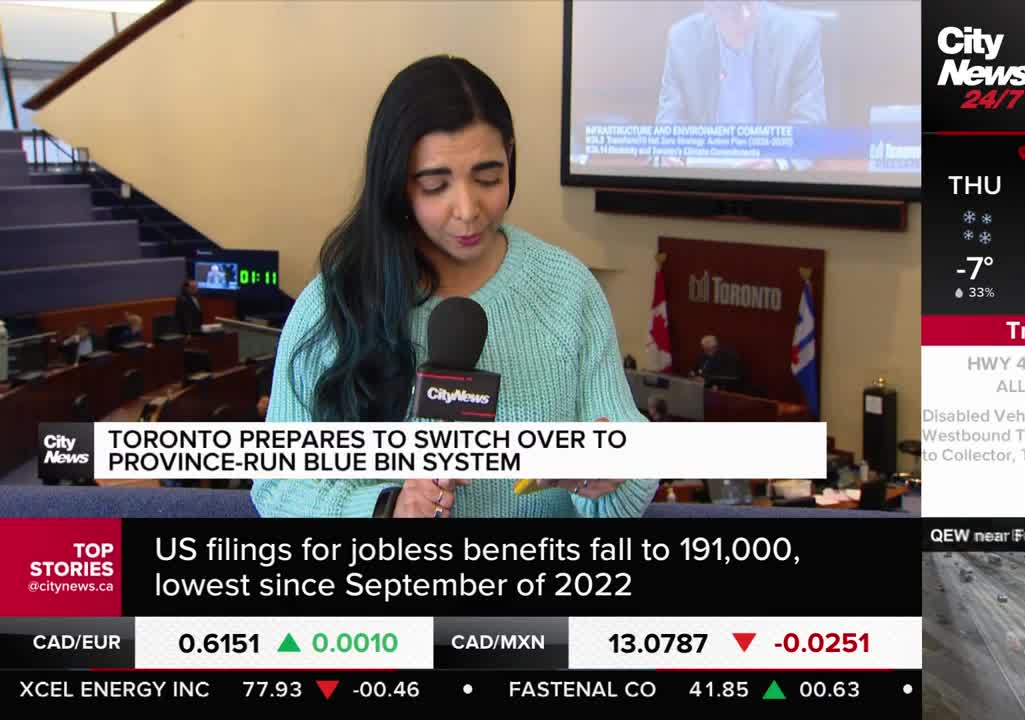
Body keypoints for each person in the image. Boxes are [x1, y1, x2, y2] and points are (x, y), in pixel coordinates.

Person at [250, 56, 656, 519]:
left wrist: (607, 471)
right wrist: (387, 508)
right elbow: (279, 488)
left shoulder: (568, 290)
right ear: (397, 185)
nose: (468, 209)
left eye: (488, 179)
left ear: (511, 160)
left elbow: (630, 478)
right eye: (435, 185)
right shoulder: (334, 302)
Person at [655, 1, 827, 168]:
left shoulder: (800, 35)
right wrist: (667, 153)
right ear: (709, 7)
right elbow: (669, 121)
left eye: (746, 5)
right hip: (702, 179)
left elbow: (811, 127)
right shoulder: (682, 39)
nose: (743, 16)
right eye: (730, 10)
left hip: (769, 184)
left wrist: (777, 163)